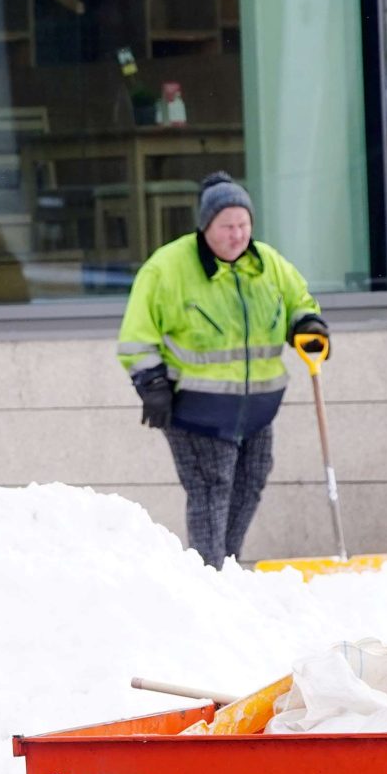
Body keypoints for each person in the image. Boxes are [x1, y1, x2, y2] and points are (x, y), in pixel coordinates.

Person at [115, 173, 329, 564]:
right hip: (197, 409)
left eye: (244, 225)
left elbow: (300, 301)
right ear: (205, 226)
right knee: (212, 488)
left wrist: (307, 325)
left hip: (258, 410)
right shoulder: (167, 269)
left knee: (251, 481)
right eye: (227, 226)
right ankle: (210, 573)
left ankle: (224, 566)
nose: (237, 235)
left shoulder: (268, 265)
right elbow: (136, 335)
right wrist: (152, 383)